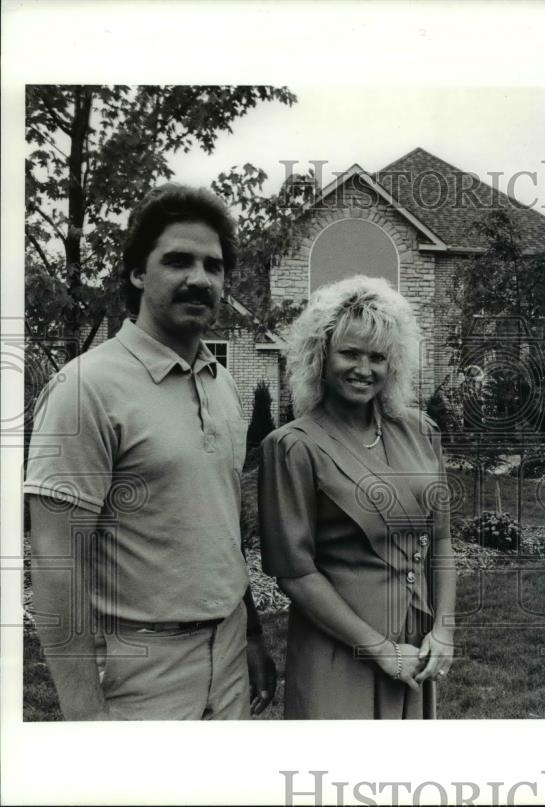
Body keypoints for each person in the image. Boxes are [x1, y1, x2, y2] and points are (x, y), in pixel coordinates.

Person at [25, 183, 276, 720]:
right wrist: (85, 717)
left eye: (213, 265)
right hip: (141, 673)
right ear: (138, 273)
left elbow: (222, 527)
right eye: (178, 261)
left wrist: (251, 632)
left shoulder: (223, 384)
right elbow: (55, 564)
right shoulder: (85, 388)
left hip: (229, 657)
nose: (199, 279)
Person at [258, 275, 456, 719]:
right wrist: (381, 650)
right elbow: (295, 573)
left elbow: (441, 541)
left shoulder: (422, 431)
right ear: (320, 356)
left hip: (415, 649)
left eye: (377, 357)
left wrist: (443, 630)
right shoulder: (292, 447)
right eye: (349, 353)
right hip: (338, 650)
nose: (363, 369)